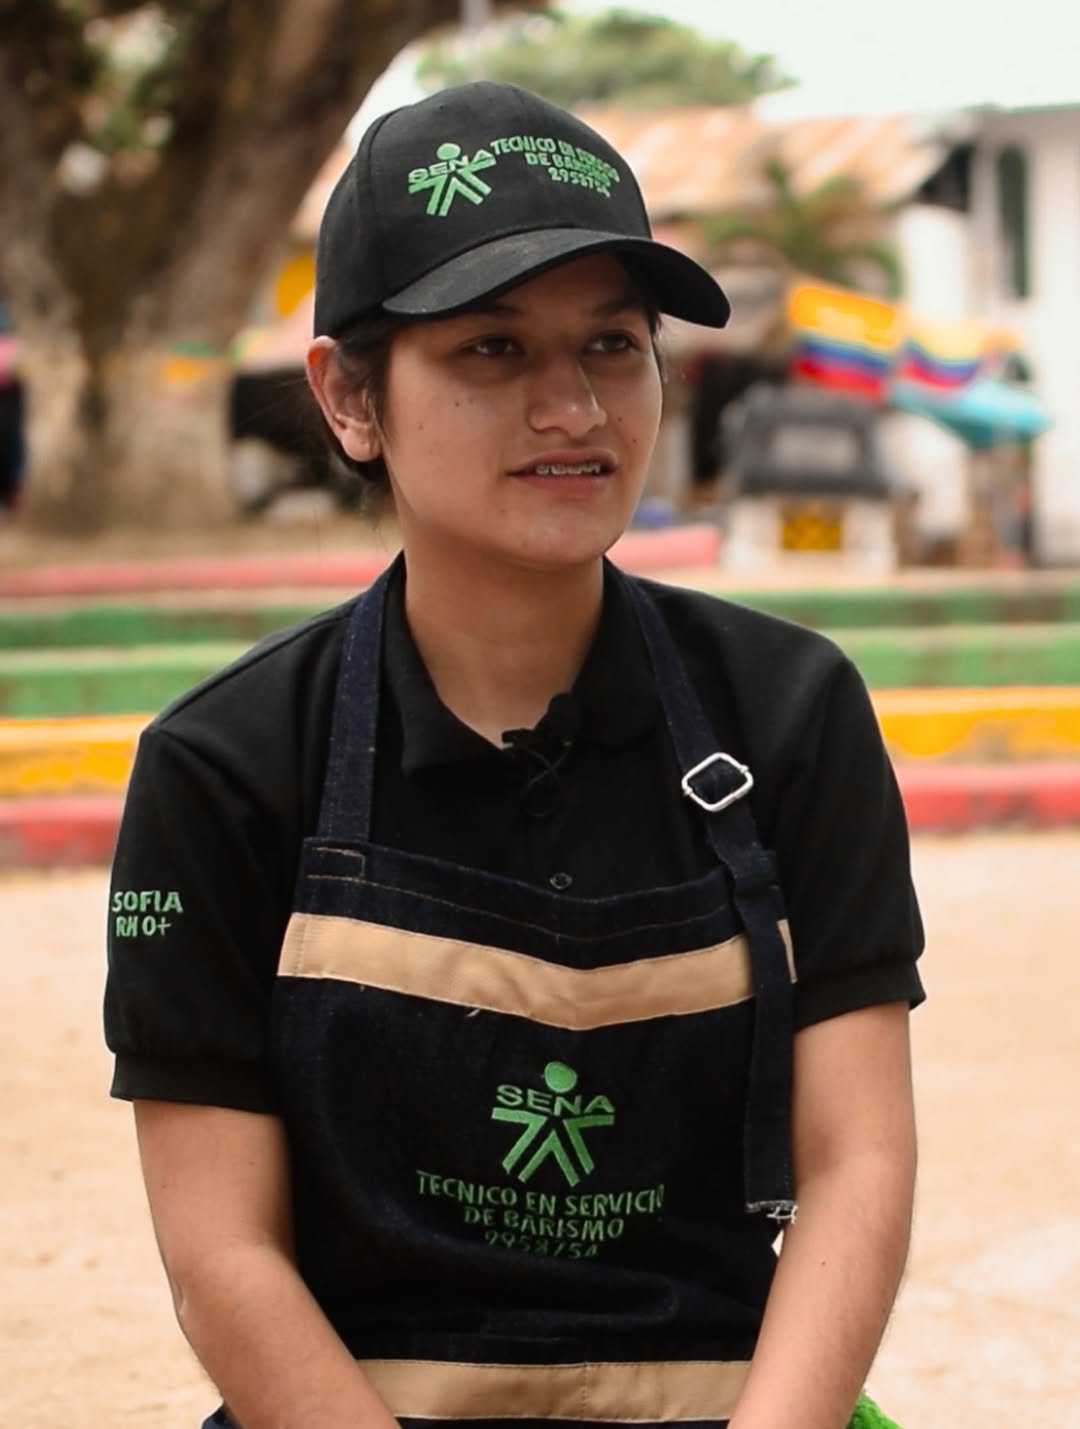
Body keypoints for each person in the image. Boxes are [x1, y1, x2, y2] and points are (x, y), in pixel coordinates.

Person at [104, 80, 924, 1429]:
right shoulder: (225, 767)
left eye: (611, 343)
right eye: (491, 348)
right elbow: (222, 1255)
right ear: (350, 397)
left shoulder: (793, 715)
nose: (573, 405)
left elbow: (857, 1162)